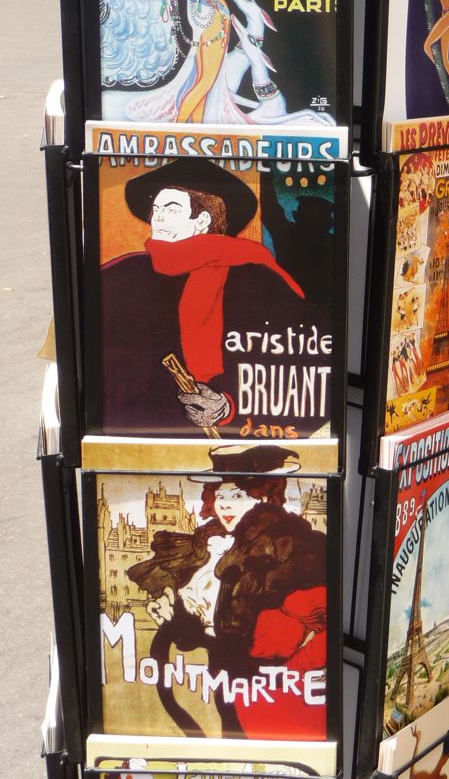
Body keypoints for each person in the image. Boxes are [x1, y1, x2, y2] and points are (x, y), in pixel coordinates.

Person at [98, 156, 323, 437]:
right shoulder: (120, 274)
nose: (157, 218)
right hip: (133, 435)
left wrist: (229, 407)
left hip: (228, 445)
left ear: (202, 220)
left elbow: (298, 374)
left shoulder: (257, 278)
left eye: (171, 209)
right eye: (155, 209)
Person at [126, 442, 328, 739]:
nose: (226, 505)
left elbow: (321, 624)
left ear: (267, 495)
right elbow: (205, 631)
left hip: (272, 689)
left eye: (237, 496)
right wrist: (174, 618)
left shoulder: (293, 547)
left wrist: (291, 672)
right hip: (224, 678)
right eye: (221, 496)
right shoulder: (211, 544)